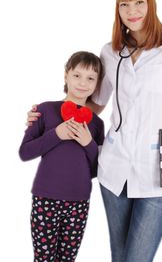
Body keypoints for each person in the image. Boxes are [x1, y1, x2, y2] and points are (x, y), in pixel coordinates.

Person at [26, 0, 162, 262]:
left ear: (150, 4)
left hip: (157, 175)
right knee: (119, 256)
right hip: (114, 170)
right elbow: (93, 103)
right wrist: (48, 115)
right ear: (117, 10)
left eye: (138, 3)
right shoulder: (110, 52)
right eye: (124, 5)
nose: (132, 12)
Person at [19, 51, 104, 262]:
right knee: (43, 258)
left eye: (90, 78)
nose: (83, 83)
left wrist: (88, 144)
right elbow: (25, 152)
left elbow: (97, 170)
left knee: (67, 259)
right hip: (45, 199)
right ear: (66, 75)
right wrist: (57, 134)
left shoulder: (96, 124)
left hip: (79, 202)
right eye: (77, 75)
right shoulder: (44, 110)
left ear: (97, 84)